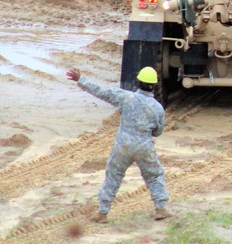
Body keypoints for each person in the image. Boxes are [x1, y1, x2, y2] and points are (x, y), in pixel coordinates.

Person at [65, 66, 170, 222]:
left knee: (113, 176)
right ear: (154, 85)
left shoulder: (125, 97)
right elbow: (158, 132)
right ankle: (160, 209)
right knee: (154, 176)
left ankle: (103, 213)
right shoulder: (158, 108)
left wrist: (81, 79)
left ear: (138, 82)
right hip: (145, 147)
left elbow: (102, 92)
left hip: (122, 146)